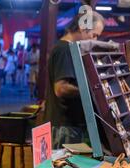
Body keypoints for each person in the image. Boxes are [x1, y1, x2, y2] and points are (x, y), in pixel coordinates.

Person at [43, 11, 105, 149]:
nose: (94, 40)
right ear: (83, 29)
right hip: (64, 127)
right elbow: (61, 88)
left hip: (69, 126)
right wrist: (93, 92)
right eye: (94, 35)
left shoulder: (70, 49)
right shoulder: (64, 49)